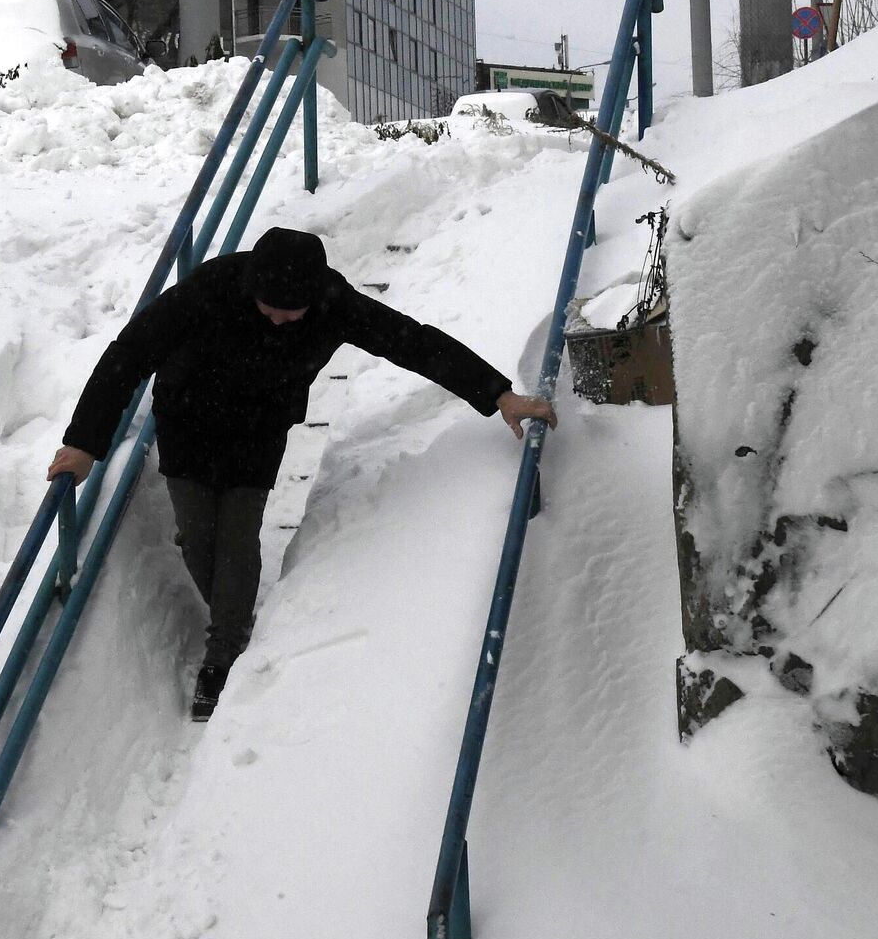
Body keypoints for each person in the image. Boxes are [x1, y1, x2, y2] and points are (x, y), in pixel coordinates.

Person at [46, 227, 555, 721]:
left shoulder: (333, 303)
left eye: (294, 313)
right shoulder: (209, 289)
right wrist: (84, 443)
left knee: (239, 539)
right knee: (197, 538)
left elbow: (413, 343)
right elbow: (129, 353)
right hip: (188, 423)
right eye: (270, 309)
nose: (281, 322)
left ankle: (223, 653)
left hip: (259, 430)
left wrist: (497, 393)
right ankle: (231, 619)